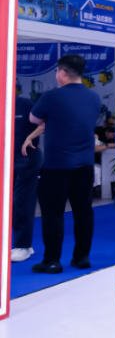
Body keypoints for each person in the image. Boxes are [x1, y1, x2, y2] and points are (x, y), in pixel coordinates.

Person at [29, 53, 102, 274]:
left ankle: (52, 261)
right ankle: (82, 257)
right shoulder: (94, 97)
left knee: (53, 212)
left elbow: (33, 119)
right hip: (85, 164)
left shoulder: (51, 96)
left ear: (62, 72)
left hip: (57, 165)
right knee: (83, 211)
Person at [12, 95, 45, 262]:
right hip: (8, 159)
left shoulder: (26, 104)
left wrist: (29, 137)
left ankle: (23, 246)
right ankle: (24, 242)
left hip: (27, 157)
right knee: (11, 203)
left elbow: (44, 123)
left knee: (22, 200)